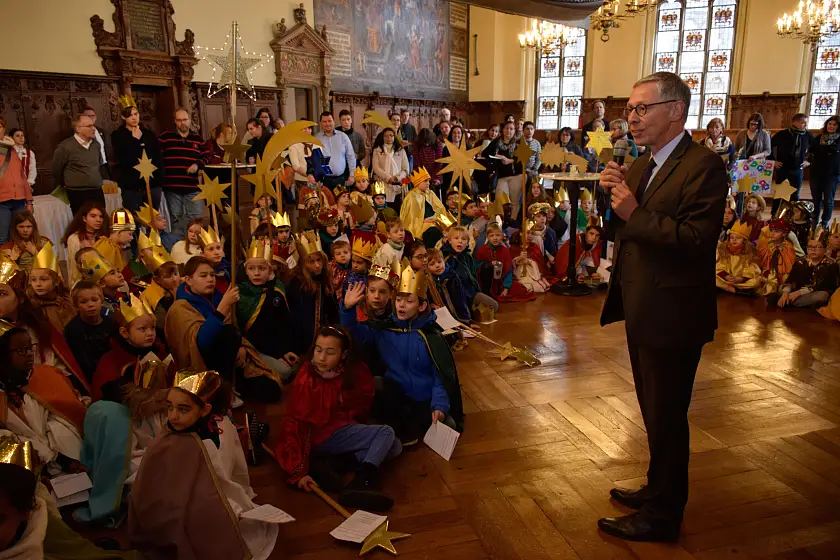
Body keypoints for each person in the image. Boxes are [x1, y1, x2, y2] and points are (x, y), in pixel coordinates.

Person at [598, 72, 728, 541]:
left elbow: (695, 242)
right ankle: (656, 487)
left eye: (641, 108)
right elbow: (620, 228)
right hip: (643, 307)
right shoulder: (643, 164)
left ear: (675, 110)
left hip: (674, 314)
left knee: (668, 415)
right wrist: (607, 195)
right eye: (629, 109)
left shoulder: (704, 166)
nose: (631, 118)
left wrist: (634, 211)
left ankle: (664, 515)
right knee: (654, 410)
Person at [129, 370, 278, 559]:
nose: (173, 416)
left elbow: (219, 482)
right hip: (165, 506)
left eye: (183, 409)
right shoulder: (166, 435)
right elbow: (149, 479)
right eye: (170, 407)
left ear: (205, 410)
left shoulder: (214, 435)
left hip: (199, 506)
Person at [276, 325, 400, 511]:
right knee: (385, 433)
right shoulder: (307, 379)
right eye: (318, 350)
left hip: (341, 428)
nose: (321, 358)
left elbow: (360, 399)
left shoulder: (346, 372)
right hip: (321, 435)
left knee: (394, 446)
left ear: (343, 355)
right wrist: (297, 471)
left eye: (330, 352)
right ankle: (363, 481)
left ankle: (337, 463)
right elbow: (294, 424)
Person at [341, 267, 464, 444]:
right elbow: (355, 334)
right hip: (397, 398)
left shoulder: (430, 335)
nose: (401, 305)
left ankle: (410, 426)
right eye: (398, 300)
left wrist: (440, 406)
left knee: (449, 425)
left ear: (421, 306)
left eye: (408, 301)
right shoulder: (385, 329)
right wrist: (347, 310)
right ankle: (402, 427)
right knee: (378, 384)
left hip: (424, 399)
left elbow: (441, 377)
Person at [164, 256, 283, 403]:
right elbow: (201, 343)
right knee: (228, 333)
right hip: (205, 368)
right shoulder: (180, 308)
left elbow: (234, 327)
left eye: (212, 275)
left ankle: (234, 388)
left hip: (232, 362)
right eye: (203, 276)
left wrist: (239, 347)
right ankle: (224, 392)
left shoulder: (216, 297)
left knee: (272, 390)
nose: (210, 279)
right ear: (188, 280)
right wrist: (221, 309)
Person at [0, 323, 86, 468]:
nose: (28, 353)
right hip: (25, 466)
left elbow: (69, 416)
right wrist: (53, 457)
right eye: (21, 350)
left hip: (66, 458)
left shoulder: (47, 375)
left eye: (29, 348)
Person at [237, 238, 298, 381]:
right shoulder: (241, 293)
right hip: (253, 347)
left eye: (262, 268)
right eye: (251, 269)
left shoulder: (277, 288)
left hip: (275, 346)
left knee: (295, 368)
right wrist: (278, 355)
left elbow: (284, 324)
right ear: (246, 271)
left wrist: (285, 351)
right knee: (285, 372)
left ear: (270, 270)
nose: (256, 273)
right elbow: (253, 333)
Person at [158, 108, 206, 239]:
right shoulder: (165, 137)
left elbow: (205, 157)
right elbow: (157, 158)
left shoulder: (197, 139)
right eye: (179, 120)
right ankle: (178, 245)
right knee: (176, 218)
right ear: (175, 121)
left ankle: (194, 244)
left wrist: (197, 164)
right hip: (173, 187)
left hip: (192, 186)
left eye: (185, 120)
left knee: (196, 217)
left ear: (190, 120)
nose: (182, 123)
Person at [287, 233, 339, 354]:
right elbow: (298, 318)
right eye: (311, 262)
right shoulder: (297, 283)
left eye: (319, 260)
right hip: (304, 341)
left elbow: (333, 311)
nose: (317, 265)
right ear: (303, 263)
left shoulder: (324, 279)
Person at [111, 101, 163, 212]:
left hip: (152, 184)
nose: (134, 117)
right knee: (134, 219)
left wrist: (159, 180)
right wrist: (134, 141)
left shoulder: (148, 134)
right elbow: (123, 158)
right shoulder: (118, 135)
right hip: (132, 186)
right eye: (130, 115)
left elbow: (157, 157)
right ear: (123, 117)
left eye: (136, 114)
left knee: (153, 218)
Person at [64, 281, 118, 384]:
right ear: (76, 305)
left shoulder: (110, 323)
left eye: (94, 300)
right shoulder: (73, 329)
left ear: (101, 301)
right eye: (84, 302)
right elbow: (80, 361)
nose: (90, 305)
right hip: (89, 376)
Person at [51, 114, 104, 215]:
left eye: (93, 125)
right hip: (78, 193)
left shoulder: (96, 145)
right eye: (89, 126)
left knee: (100, 221)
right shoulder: (65, 147)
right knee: (81, 224)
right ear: (78, 129)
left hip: (97, 191)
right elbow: (56, 170)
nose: (93, 128)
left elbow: (99, 165)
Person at [773, 228, 839, 309]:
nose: (813, 250)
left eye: (818, 247)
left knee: (822, 296)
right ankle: (788, 300)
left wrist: (799, 293)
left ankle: (789, 302)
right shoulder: (800, 261)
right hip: (798, 290)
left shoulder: (831, 264)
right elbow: (791, 279)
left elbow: (821, 285)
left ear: (825, 250)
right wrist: (786, 293)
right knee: (781, 288)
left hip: (815, 291)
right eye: (810, 247)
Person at [27, 242, 74, 334]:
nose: (38, 284)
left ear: (56, 281)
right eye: (33, 280)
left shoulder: (67, 301)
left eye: (43, 279)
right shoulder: (31, 307)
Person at [400, 167, 451, 248]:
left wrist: (436, 218)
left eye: (429, 181)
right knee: (433, 233)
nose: (428, 183)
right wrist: (423, 220)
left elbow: (440, 209)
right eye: (425, 181)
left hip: (435, 221)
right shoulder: (411, 197)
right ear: (418, 182)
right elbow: (409, 219)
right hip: (422, 225)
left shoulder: (430, 193)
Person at [483, 121, 524, 218]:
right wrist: (496, 157)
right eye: (506, 128)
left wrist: (510, 161)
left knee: (514, 201)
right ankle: (500, 222)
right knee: (500, 199)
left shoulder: (519, 143)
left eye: (511, 129)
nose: (508, 131)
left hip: (515, 175)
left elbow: (524, 160)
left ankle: (512, 223)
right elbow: (485, 153)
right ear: (503, 130)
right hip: (501, 176)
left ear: (514, 131)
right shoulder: (496, 142)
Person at [771, 113, 812, 208]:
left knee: (795, 194)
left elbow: (814, 150)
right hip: (783, 168)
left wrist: (809, 161)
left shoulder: (808, 135)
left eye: (806, 123)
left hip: (797, 169)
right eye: (803, 122)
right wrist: (773, 161)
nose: (805, 125)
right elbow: (770, 147)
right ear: (795, 122)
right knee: (780, 194)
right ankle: (775, 215)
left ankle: (794, 216)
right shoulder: (782, 134)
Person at [808, 115, 840, 228]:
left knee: (828, 200)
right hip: (816, 173)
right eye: (829, 124)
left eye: (834, 125)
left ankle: (824, 222)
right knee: (815, 199)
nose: (831, 126)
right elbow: (811, 152)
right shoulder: (818, 138)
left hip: (832, 174)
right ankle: (814, 221)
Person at [715, 220, 764, 295]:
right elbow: (720, 266)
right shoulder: (724, 252)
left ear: (744, 241)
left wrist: (741, 278)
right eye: (732, 237)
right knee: (714, 278)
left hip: (740, 280)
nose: (734, 240)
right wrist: (726, 276)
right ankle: (732, 289)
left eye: (738, 238)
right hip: (727, 279)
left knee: (756, 281)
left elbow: (751, 269)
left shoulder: (748, 254)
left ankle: (733, 288)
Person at [316, 111, 357, 189]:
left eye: (329, 121)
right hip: (323, 180)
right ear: (320, 123)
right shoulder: (316, 139)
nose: (327, 124)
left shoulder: (343, 137)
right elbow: (315, 160)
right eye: (324, 122)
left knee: (341, 201)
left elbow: (350, 156)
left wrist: (352, 175)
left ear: (334, 121)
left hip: (341, 178)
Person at [82, 105, 112, 180]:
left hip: (104, 168)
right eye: (88, 116)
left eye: (93, 115)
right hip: (89, 169)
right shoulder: (80, 133)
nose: (91, 118)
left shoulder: (102, 132)